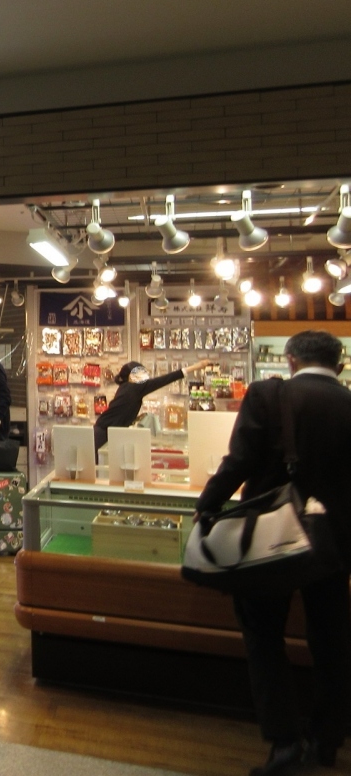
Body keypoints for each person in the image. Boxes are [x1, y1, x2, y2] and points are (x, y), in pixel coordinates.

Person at [197, 330, 351, 775]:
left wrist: (208, 505)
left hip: (270, 537)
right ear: (339, 365)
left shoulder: (269, 395)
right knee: (332, 641)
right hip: (334, 543)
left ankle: (284, 742)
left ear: (291, 360)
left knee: (263, 636)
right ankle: (326, 739)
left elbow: (239, 461)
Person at [93, 358, 212, 456]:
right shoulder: (135, 388)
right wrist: (197, 366)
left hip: (104, 431)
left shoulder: (125, 387)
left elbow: (122, 410)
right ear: (131, 376)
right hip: (104, 433)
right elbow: (165, 379)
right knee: (100, 468)